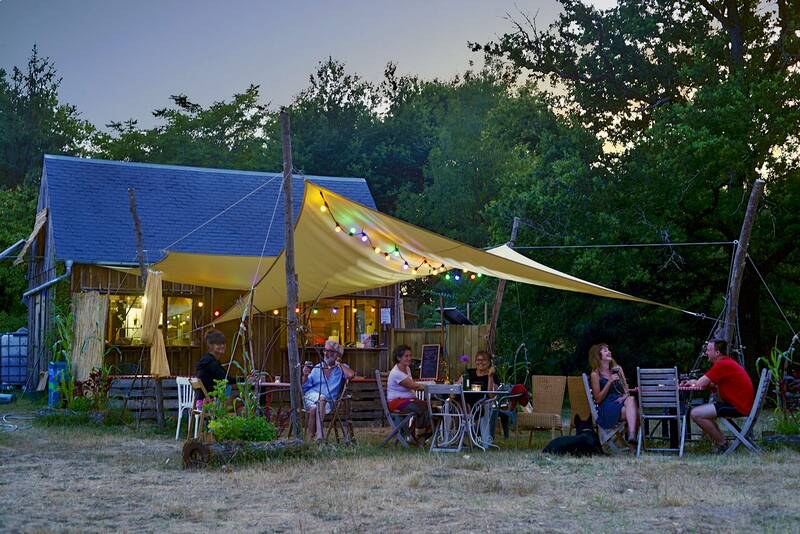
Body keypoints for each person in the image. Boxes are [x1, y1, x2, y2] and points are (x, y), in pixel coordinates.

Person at [683, 338, 754, 453]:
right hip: (741, 404)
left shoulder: (722, 364)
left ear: (717, 352)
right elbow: (711, 384)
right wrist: (696, 382)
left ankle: (723, 444)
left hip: (737, 406)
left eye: (709, 350)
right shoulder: (727, 362)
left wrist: (693, 382)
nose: (706, 352)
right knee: (705, 412)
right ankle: (721, 442)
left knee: (696, 413)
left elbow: (700, 383)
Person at [302, 340, 355, 442]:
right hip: (310, 397)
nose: (326, 353)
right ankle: (320, 435)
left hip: (329, 404)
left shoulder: (341, 369)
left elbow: (351, 375)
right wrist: (305, 375)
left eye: (330, 351)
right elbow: (305, 387)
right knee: (321, 399)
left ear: (337, 354)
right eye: (325, 350)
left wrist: (339, 363)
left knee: (314, 409)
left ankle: (308, 439)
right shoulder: (317, 367)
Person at [589, 343, 639, 450]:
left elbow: (626, 391)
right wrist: (609, 382)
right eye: (605, 350)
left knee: (631, 398)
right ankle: (633, 446)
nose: (609, 352)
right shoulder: (595, 374)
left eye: (609, 349)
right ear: (598, 355)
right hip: (607, 406)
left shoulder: (618, 369)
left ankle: (632, 436)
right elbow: (598, 399)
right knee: (636, 413)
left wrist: (624, 396)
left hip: (621, 400)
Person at [386, 345, 432, 444]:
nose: (409, 358)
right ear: (398, 358)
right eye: (406, 356)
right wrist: (431, 385)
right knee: (424, 407)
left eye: (410, 355)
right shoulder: (396, 373)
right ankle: (416, 435)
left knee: (431, 408)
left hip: (406, 401)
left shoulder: (407, 369)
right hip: (396, 403)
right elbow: (414, 386)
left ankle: (417, 435)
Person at [196, 329, 234, 400]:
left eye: (223, 343)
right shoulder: (211, 363)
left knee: (230, 390)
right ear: (210, 345)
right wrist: (246, 379)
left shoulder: (207, 360)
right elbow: (226, 379)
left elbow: (225, 378)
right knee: (241, 400)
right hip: (211, 402)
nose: (222, 346)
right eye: (218, 344)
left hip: (201, 401)